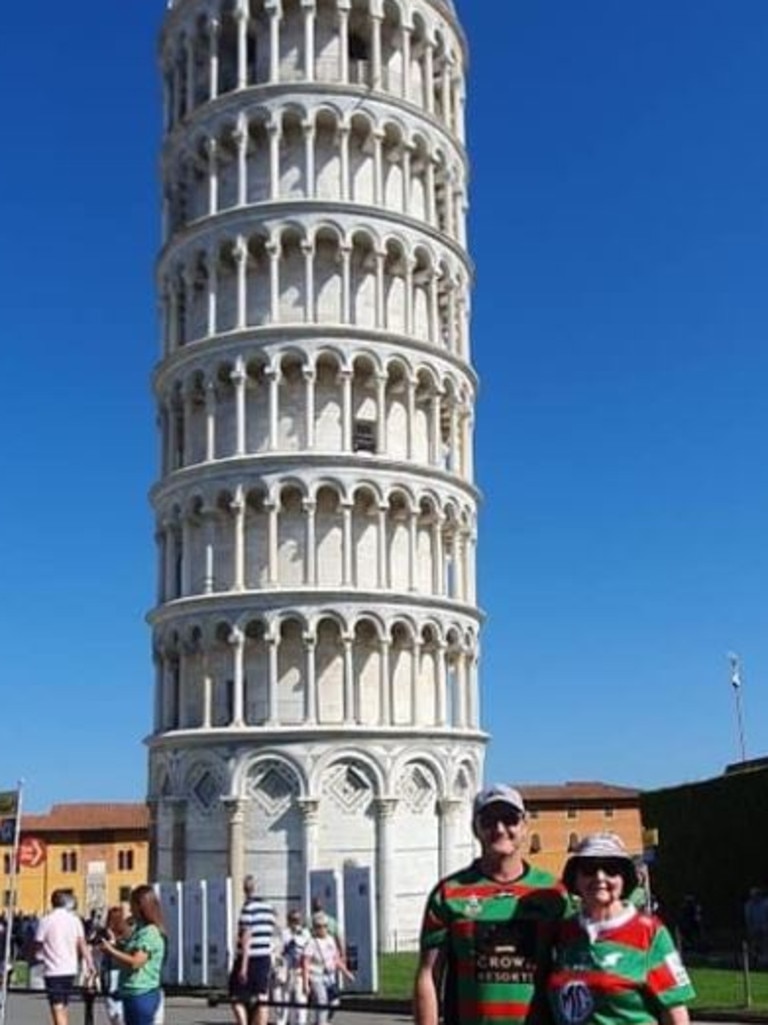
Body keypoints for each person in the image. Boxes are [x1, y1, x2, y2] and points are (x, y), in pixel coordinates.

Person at [413, 783, 568, 1025]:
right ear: (475, 828)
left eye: (509, 819)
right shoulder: (448, 894)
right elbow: (429, 975)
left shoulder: (553, 893)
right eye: (488, 820)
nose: (499, 829)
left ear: (525, 826)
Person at [547, 833, 695, 1025]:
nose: (600, 877)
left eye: (611, 869)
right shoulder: (564, 932)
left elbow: (675, 1013)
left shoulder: (650, 933)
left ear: (624, 878)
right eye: (589, 869)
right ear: (575, 878)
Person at [97, 885, 166, 1025]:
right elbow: (130, 951)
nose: (130, 909)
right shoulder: (139, 929)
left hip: (142, 992)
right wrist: (117, 946)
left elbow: (136, 961)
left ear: (141, 906)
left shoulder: (150, 933)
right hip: (130, 991)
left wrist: (111, 950)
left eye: (132, 905)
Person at [35, 889, 93, 1025]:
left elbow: (38, 943)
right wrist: (90, 963)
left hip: (53, 969)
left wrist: (38, 955)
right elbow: (82, 944)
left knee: (57, 1007)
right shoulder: (75, 920)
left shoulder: (46, 920)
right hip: (70, 968)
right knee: (64, 1006)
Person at [229, 874, 277, 1025]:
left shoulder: (248, 908)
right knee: (262, 996)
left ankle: (243, 1022)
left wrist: (243, 966)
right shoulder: (270, 910)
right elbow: (273, 933)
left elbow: (246, 937)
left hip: (250, 958)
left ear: (247, 890)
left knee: (235, 995)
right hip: (264, 957)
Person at [307, 912, 353, 1025]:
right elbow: (305, 962)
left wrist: (346, 973)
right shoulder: (312, 943)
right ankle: (321, 1022)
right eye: (319, 926)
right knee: (322, 1000)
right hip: (316, 975)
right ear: (315, 928)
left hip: (330, 976)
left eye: (324, 926)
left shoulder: (331, 940)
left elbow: (336, 959)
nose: (322, 929)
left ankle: (324, 1020)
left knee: (334, 1002)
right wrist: (306, 981)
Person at [275, 910, 311, 1025]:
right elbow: (279, 950)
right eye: (293, 920)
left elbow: (308, 949)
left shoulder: (305, 933)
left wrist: (299, 934)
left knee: (300, 999)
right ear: (288, 920)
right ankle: (282, 1021)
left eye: (298, 920)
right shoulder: (284, 933)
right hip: (287, 971)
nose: (296, 923)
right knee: (285, 998)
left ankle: (301, 1022)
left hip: (300, 970)